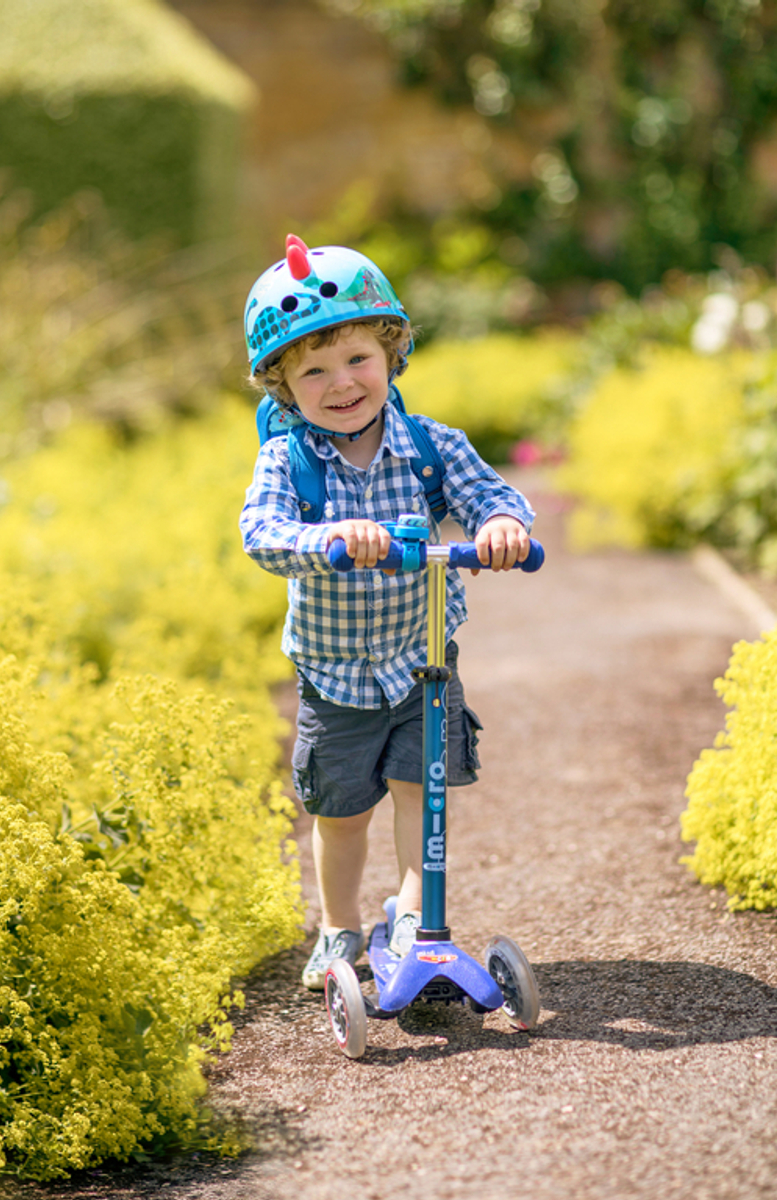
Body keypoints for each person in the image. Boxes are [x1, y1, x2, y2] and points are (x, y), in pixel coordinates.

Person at [239, 235, 535, 990]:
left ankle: (414, 921)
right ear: (283, 386)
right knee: (340, 816)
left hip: (421, 662)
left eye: (357, 360)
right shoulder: (288, 461)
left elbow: (493, 497)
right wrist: (330, 538)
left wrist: (501, 528)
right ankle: (338, 930)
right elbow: (262, 535)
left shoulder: (433, 446)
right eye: (313, 371)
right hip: (334, 676)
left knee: (422, 794)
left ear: (392, 352)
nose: (341, 383)